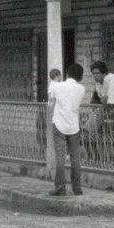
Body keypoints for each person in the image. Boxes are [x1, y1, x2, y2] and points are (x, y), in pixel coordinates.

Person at [47, 63, 87, 197]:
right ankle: (77, 188)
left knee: (60, 157)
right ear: (80, 76)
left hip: (59, 124)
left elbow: (51, 94)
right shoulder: (81, 89)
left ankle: (60, 187)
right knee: (75, 157)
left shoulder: (58, 86)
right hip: (74, 126)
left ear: (67, 74)